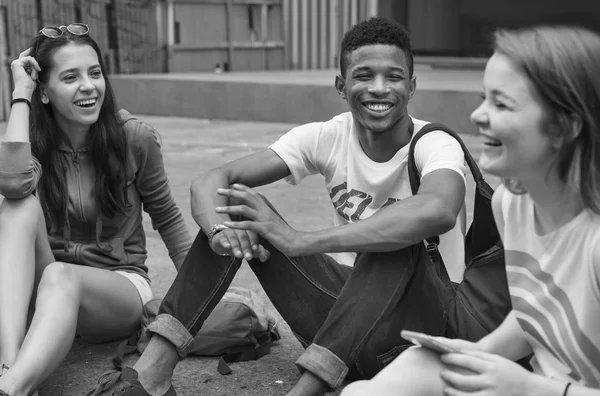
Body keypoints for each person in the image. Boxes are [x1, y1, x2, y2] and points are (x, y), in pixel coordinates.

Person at [88, 17, 468, 396]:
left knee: (396, 232)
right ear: (342, 85)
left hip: (419, 336)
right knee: (240, 208)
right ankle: (152, 375)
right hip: (342, 329)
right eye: (364, 76)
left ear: (412, 86)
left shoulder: (434, 144)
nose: (379, 89)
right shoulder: (327, 137)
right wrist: (221, 234)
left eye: (394, 77)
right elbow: (211, 182)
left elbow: (439, 208)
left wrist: (300, 241)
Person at [340, 25, 600, 396]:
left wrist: (528, 388)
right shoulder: (512, 204)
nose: (478, 115)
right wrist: (477, 355)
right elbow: (535, 315)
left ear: (564, 127)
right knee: (383, 380)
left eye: (501, 104)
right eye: (484, 98)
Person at [0, 23, 192, 396]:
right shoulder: (35, 142)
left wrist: (197, 298)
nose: (89, 86)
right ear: (44, 91)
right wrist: (20, 94)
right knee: (17, 206)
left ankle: (13, 388)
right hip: (50, 283)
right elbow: (11, 183)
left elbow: (167, 218)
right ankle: (10, 365)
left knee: (60, 276)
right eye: (70, 77)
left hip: (117, 288)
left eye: (95, 73)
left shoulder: (133, 137)